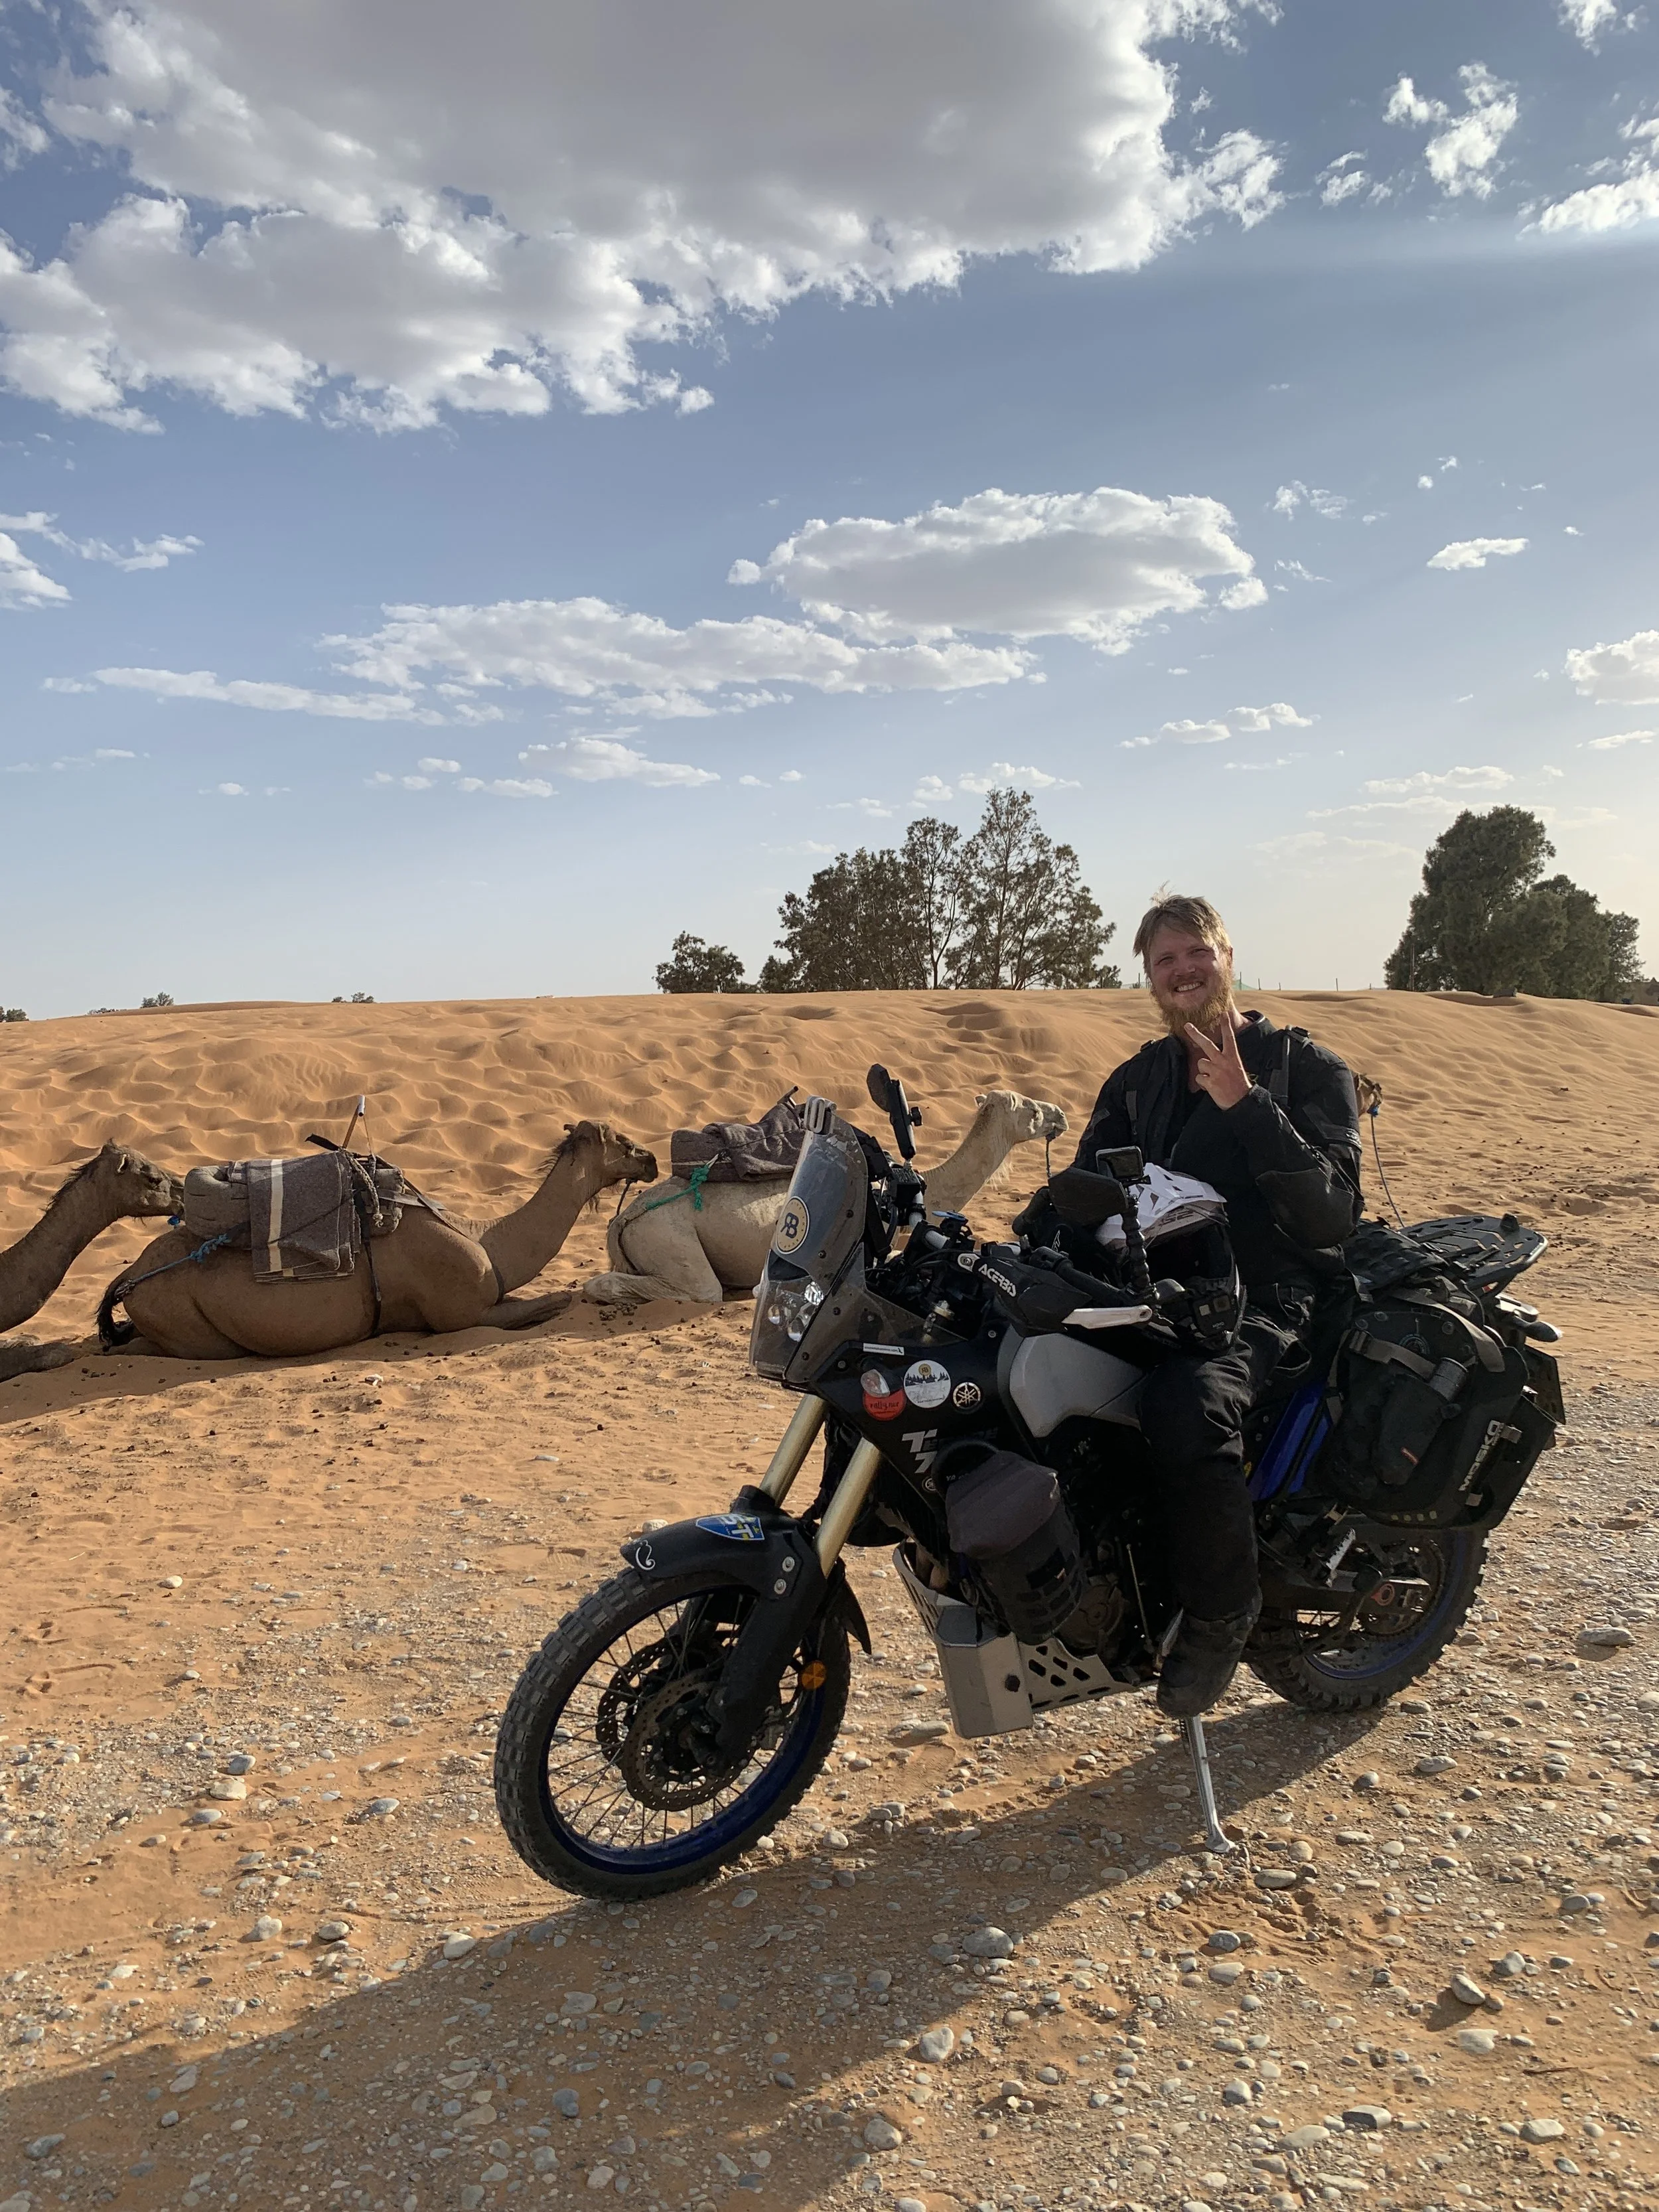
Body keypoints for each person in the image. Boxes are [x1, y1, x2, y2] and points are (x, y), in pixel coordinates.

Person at [1070, 893, 1363, 1716]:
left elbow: (1332, 1212)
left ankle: (1219, 1612)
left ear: (1227, 957)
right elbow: (1087, 1186)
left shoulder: (1304, 1067)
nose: (1183, 971)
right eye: (1165, 962)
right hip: (1149, 1288)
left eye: (1195, 953)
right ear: (1152, 981)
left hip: (1267, 1294)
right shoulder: (1137, 1081)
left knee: (1188, 1406)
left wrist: (1245, 1103)